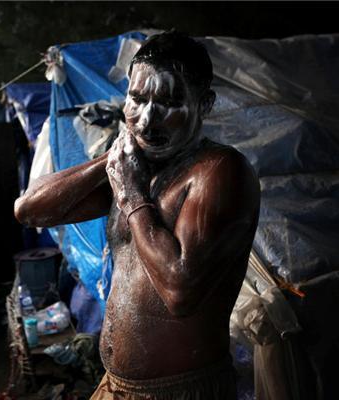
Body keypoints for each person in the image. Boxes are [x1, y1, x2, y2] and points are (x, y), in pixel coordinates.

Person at [14, 31, 260, 399]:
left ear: (204, 105)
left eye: (169, 102)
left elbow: (180, 292)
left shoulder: (219, 171)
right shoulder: (135, 168)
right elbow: (29, 210)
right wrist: (111, 161)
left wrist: (130, 194)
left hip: (180, 390)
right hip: (116, 386)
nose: (147, 120)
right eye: (137, 99)